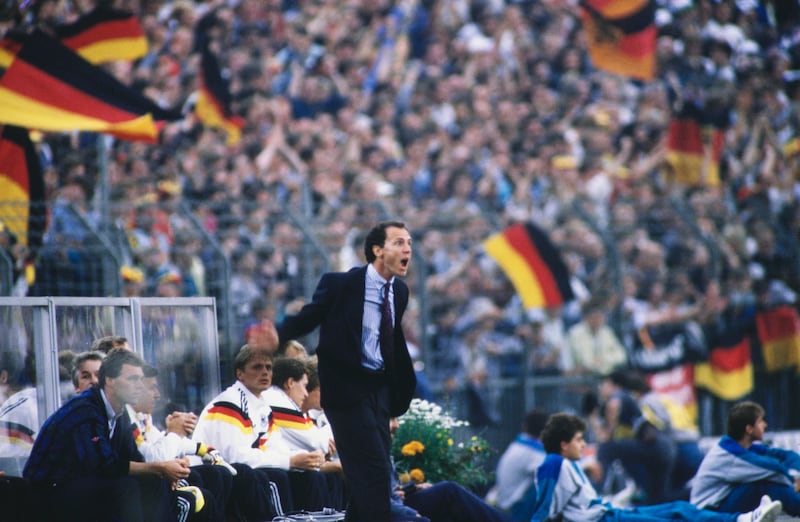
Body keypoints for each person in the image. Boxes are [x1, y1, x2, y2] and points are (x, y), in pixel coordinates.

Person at [275, 220, 416, 521]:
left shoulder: (400, 292)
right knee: (374, 472)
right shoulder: (341, 285)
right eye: (399, 242)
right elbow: (309, 317)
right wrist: (276, 336)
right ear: (378, 250)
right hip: (346, 393)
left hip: (379, 392)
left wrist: (395, 393)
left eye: (409, 243)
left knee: (370, 474)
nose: (407, 249)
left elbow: (392, 342)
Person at [23, 348, 192, 522]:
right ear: (110, 380)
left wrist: (164, 470)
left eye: (141, 380)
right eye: (133, 379)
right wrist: (160, 467)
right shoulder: (86, 409)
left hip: (80, 487)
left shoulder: (120, 412)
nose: (140, 386)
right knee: (125, 488)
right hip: (47, 494)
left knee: (153, 480)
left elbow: (133, 457)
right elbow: (104, 466)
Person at [530, 413, 783, 522]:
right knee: (678, 513)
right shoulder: (553, 464)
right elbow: (544, 509)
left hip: (610, 514)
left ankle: (742, 518)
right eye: (578, 440)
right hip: (606, 519)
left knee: (679, 509)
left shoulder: (564, 465)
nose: (584, 444)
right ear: (563, 444)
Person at [192, 344, 328, 518]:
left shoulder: (262, 406)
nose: (264, 372)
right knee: (274, 476)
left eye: (268, 367)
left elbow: (276, 447)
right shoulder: (228, 404)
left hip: (245, 472)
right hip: (215, 474)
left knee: (311, 476)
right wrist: (289, 461)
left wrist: (304, 458)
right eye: (257, 367)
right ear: (240, 373)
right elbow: (236, 457)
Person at [128, 364, 236, 522]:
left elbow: (160, 443)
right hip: (144, 484)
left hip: (156, 478)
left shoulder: (143, 416)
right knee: (199, 488)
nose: (157, 395)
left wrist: (202, 449)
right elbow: (154, 458)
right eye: (152, 388)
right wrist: (175, 432)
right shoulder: (127, 418)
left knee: (218, 474)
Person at [389, 416, 513, 522]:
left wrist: (411, 489)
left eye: (395, 418)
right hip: (392, 510)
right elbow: (381, 500)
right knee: (449, 492)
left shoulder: (382, 446)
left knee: (448, 492)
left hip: (396, 503)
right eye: (390, 419)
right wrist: (410, 514)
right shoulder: (378, 450)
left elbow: (388, 491)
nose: (396, 425)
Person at [691, 400, 800, 516]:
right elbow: (774, 468)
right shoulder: (731, 455)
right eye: (760, 421)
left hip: (721, 502)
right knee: (763, 483)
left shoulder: (742, 446)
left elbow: (786, 454)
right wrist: (793, 479)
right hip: (709, 513)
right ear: (749, 429)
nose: (765, 425)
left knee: (766, 479)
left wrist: (796, 474)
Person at [487, 408, 549, 519]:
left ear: (524, 426)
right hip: (515, 510)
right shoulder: (532, 452)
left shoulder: (520, 445)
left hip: (505, 503)